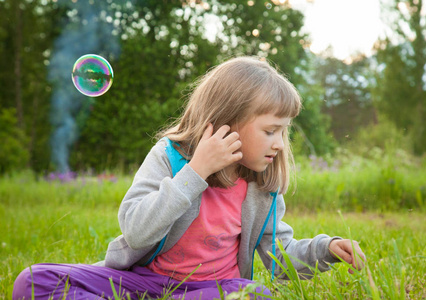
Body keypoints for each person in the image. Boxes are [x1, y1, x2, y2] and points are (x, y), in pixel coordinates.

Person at [13, 56, 365, 300]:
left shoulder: (261, 187)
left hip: (211, 291)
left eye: (282, 133)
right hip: (143, 283)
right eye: (271, 130)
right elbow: (136, 230)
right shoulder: (170, 157)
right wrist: (195, 172)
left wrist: (326, 249)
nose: (279, 144)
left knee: (254, 294)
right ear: (230, 120)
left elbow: (281, 258)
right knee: (34, 282)